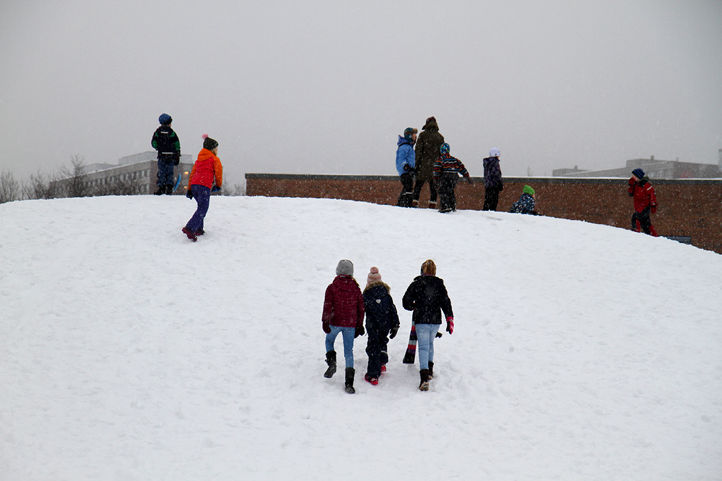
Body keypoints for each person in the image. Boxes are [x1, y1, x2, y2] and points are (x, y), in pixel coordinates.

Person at [402, 260, 454, 391]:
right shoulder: (439, 284)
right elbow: (446, 302)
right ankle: (430, 371)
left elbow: (405, 301)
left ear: (423, 270)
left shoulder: (417, 283)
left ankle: (424, 378)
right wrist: (449, 319)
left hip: (422, 319)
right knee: (430, 344)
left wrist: (413, 306)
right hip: (435, 320)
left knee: (423, 348)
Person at [322, 259, 365, 394]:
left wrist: (325, 321)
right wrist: (359, 325)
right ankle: (349, 383)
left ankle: (332, 362)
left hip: (335, 322)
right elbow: (361, 309)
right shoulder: (355, 288)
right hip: (350, 324)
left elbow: (328, 306)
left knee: (329, 341)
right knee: (348, 352)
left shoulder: (332, 287)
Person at [362, 267, 400, 385]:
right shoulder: (385, 294)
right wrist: (395, 324)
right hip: (385, 324)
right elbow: (392, 309)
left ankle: (373, 375)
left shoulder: (367, 294)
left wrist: (358, 325)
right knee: (382, 341)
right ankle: (382, 362)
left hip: (372, 325)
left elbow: (361, 310)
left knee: (373, 346)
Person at [182, 135, 223, 242]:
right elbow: (218, 173)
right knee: (203, 208)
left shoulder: (199, 160)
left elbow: (193, 174)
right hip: (204, 185)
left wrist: (190, 189)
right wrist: (218, 185)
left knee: (201, 206)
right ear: (212, 149)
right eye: (216, 148)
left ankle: (199, 229)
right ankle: (190, 228)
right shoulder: (214, 159)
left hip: (195, 185)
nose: (217, 150)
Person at [412, 116, 445, 208]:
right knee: (433, 187)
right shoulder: (440, 137)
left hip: (423, 165)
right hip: (435, 166)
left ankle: (414, 203)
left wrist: (417, 164)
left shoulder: (423, 135)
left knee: (418, 186)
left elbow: (418, 151)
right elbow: (442, 153)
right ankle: (432, 204)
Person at [433, 143, 472, 213]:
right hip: (454, 177)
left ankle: (445, 206)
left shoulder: (440, 159)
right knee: (450, 191)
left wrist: (436, 179)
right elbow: (461, 167)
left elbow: (437, 169)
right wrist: (467, 176)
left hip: (445, 176)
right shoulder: (454, 160)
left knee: (443, 191)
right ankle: (452, 205)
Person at [151, 113, 181, 195]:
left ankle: (161, 187)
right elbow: (177, 143)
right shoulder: (172, 132)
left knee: (162, 172)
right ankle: (169, 187)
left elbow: (153, 142)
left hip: (161, 155)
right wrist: (177, 153)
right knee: (169, 172)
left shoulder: (158, 132)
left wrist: (158, 147)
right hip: (171, 156)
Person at [628, 168, 658, 236]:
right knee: (645, 224)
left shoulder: (646, 185)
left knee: (636, 217)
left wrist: (653, 204)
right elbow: (630, 193)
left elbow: (652, 194)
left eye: (634, 176)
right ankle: (653, 235)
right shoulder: (635, 185)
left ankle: (636, 231)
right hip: (638, 206)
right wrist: (631, 186)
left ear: (638, 177)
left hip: (645, 206)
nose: (633, 177)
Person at [396, 128, 417, 207]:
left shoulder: (409, 147)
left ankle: (402, 202)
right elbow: (401, 158)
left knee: (408, 186)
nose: (416, 137)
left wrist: (413, 168)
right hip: (405, 171)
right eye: (414, 135)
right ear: (409, 136)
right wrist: (405, 166)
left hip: (409, 171)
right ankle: (406, 202)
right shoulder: (404, 147)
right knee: (408, 185)